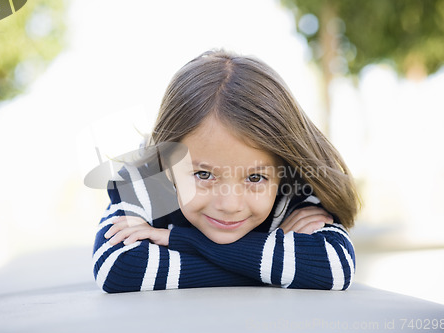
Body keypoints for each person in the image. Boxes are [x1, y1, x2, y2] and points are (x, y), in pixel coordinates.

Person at [92, 50, 360, 293]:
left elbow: (335, 266)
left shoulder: (292, 192)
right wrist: (271, 267)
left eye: (255, 178)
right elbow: (116, 266)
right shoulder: (149, 180)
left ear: (283, 171)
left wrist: (180, 240)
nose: (230, 205)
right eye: (204, 175)